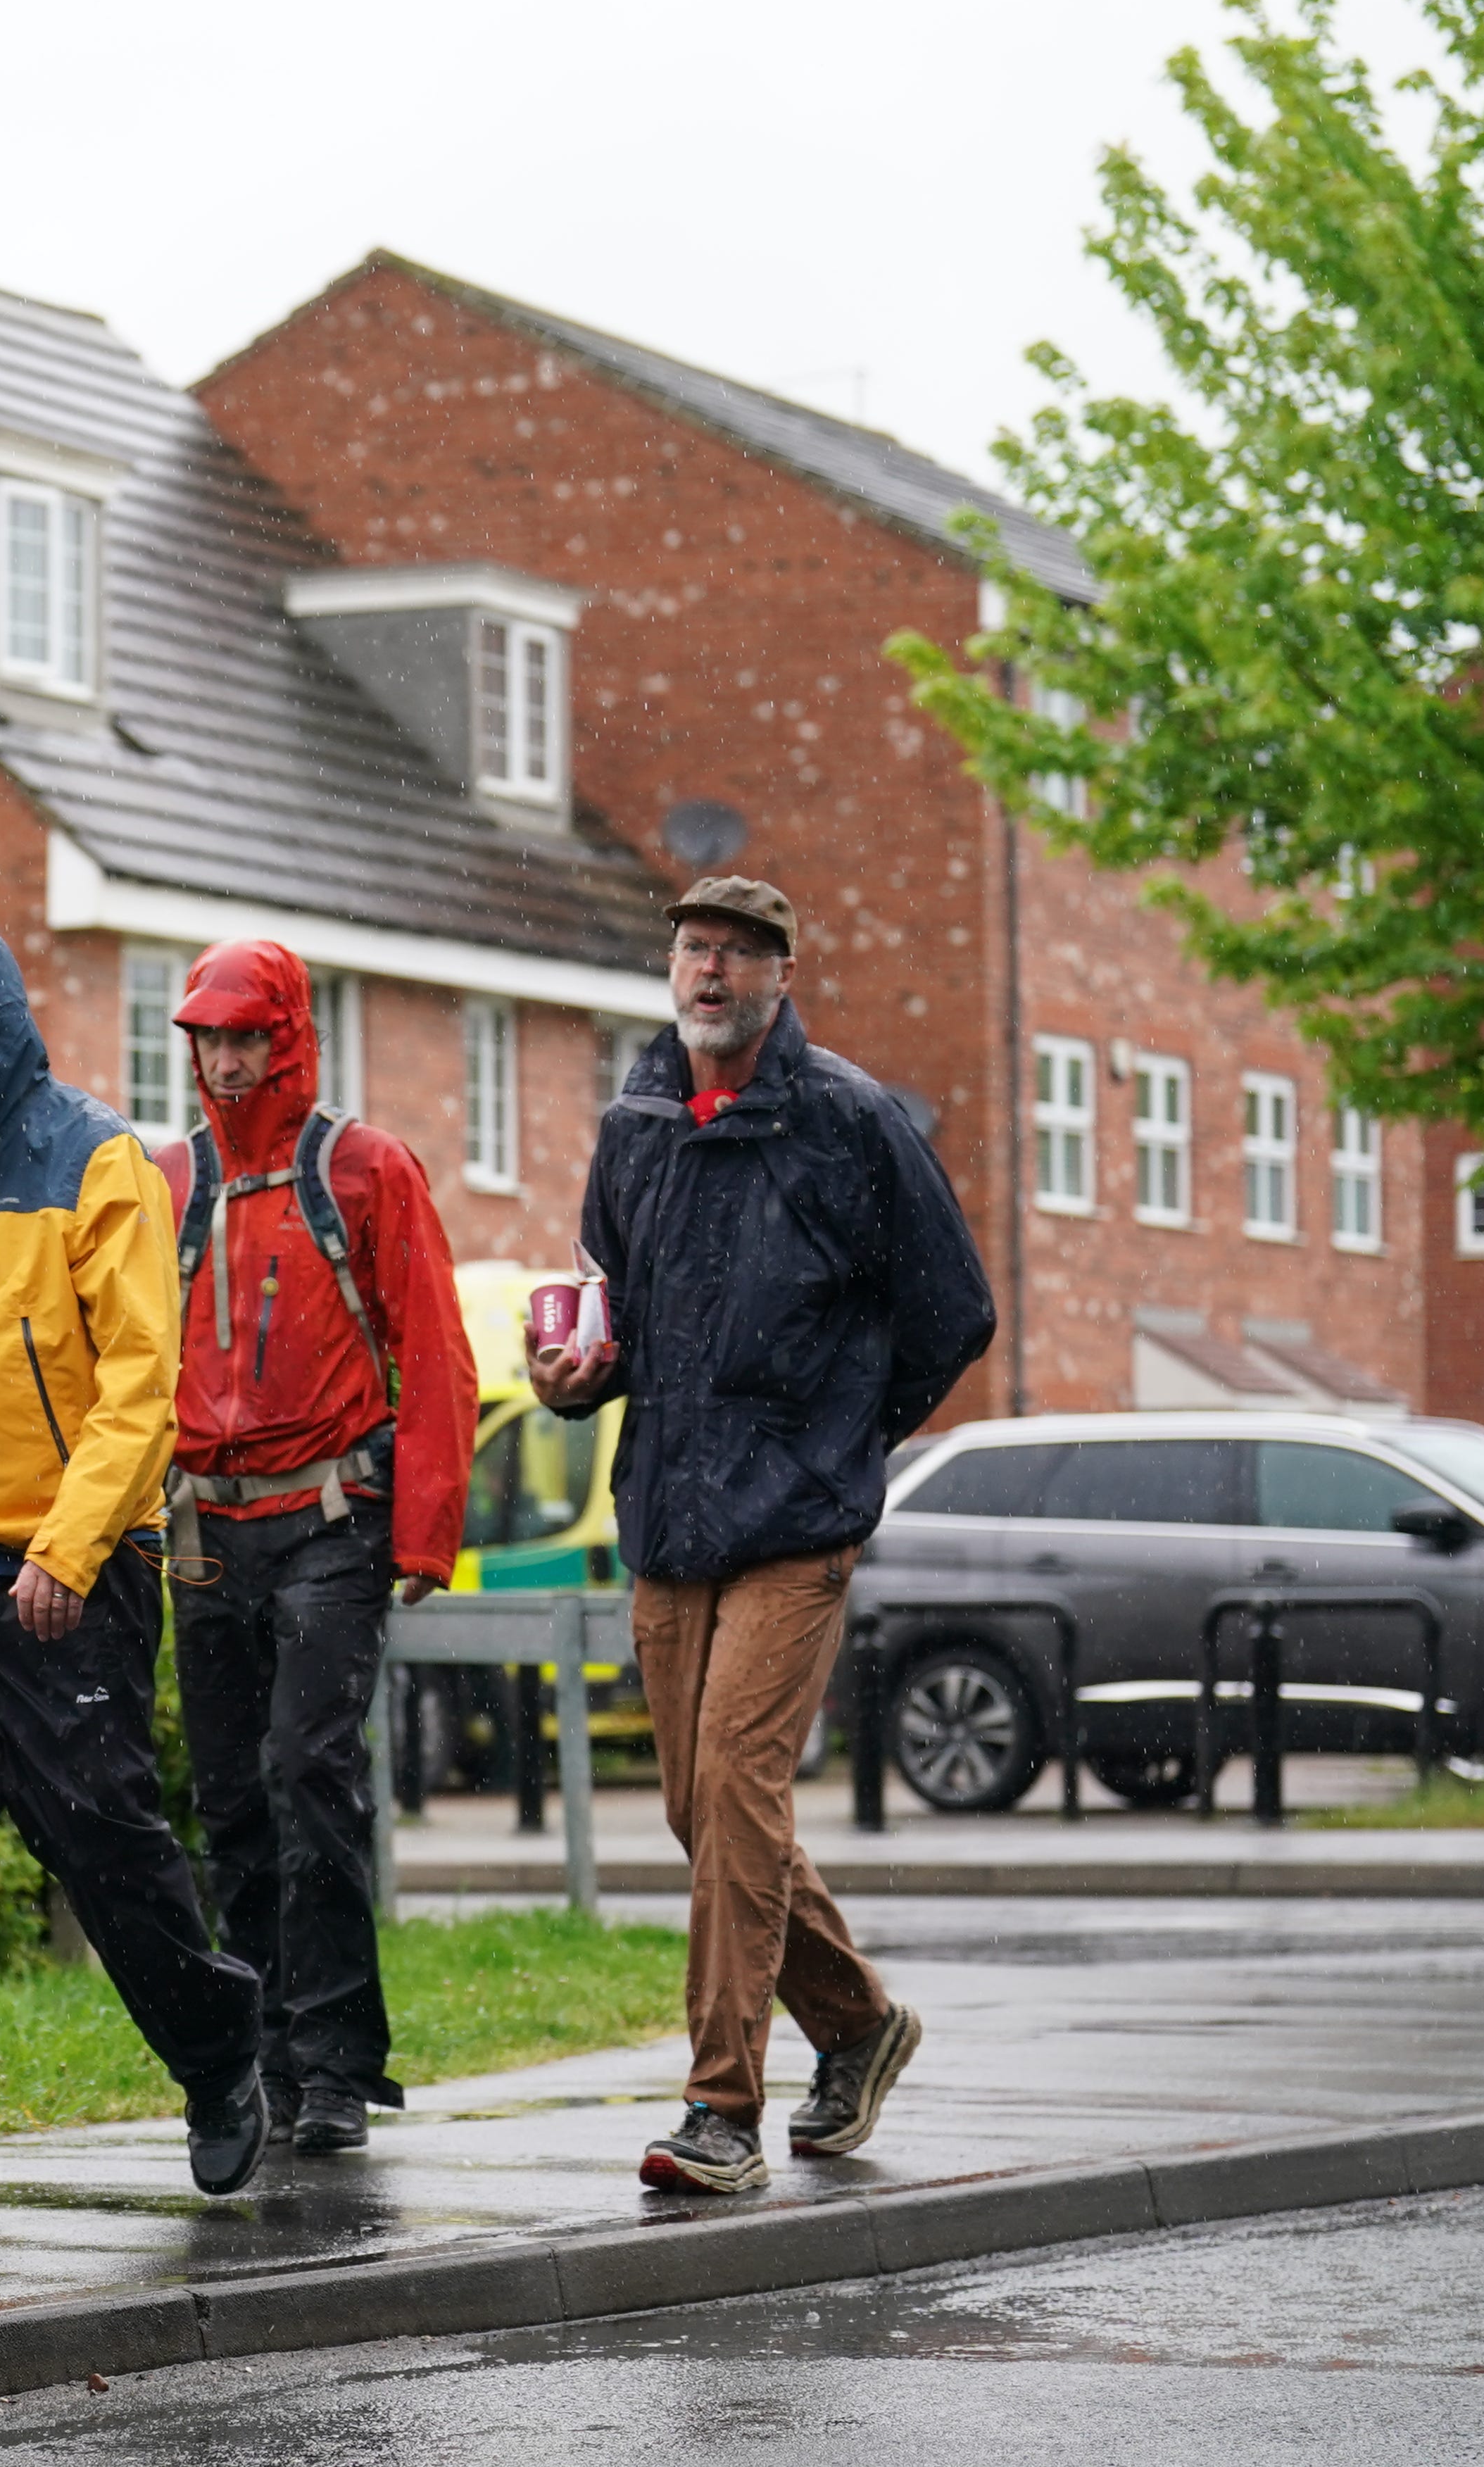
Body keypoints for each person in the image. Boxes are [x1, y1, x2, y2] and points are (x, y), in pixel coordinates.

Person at [534, 876, 993, 2195]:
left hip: (796, 1519)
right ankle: (856, 2023)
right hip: (672, 1509)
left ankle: (718, 2109)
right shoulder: (637, 1124)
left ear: (784, 975)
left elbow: (953, 1308)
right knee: (700, 1808)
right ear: (670, 968)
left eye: (739, 953)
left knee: (738, 1790)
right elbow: (610, 1303)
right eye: (693, 950)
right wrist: (584, 1377)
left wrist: (845, 1433)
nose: (712, 972)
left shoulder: (850, 1121)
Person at [0, 917, 270, 2226]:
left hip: (60, 1577)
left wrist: (69, 1547)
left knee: (104, 1851)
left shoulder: (98, 1160)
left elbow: (143, 1387)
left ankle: (218, 2044)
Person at [153, 940, 474, 2157]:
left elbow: (435, 1349)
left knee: (308, 1773)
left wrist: (426, 1533)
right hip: (202, 1530)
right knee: (233, 1799)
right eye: (207, 1039)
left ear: (289, 1038)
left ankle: (337, 2063)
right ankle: (270, 2054)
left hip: (331, 1522)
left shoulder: (367, 1171)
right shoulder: (165, 1182)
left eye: (245, 1037)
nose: (226, 1062)